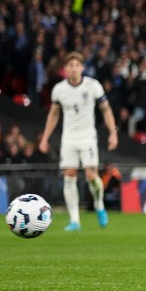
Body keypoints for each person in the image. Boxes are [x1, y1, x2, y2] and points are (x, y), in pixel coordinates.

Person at [39, 51, 119, 231]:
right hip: (69, 138)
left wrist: (113, 133)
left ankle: (99, 205)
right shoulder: (59, 90)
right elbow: (53, 114)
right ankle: (75, 220)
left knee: (92, 177)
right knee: (69, 176)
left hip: (88, 137)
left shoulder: (93, 86)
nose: (74, 69)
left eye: (77, 65)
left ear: (82, 67)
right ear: (65, 69)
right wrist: (45, 138)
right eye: (70, 66)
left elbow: (106, 110)